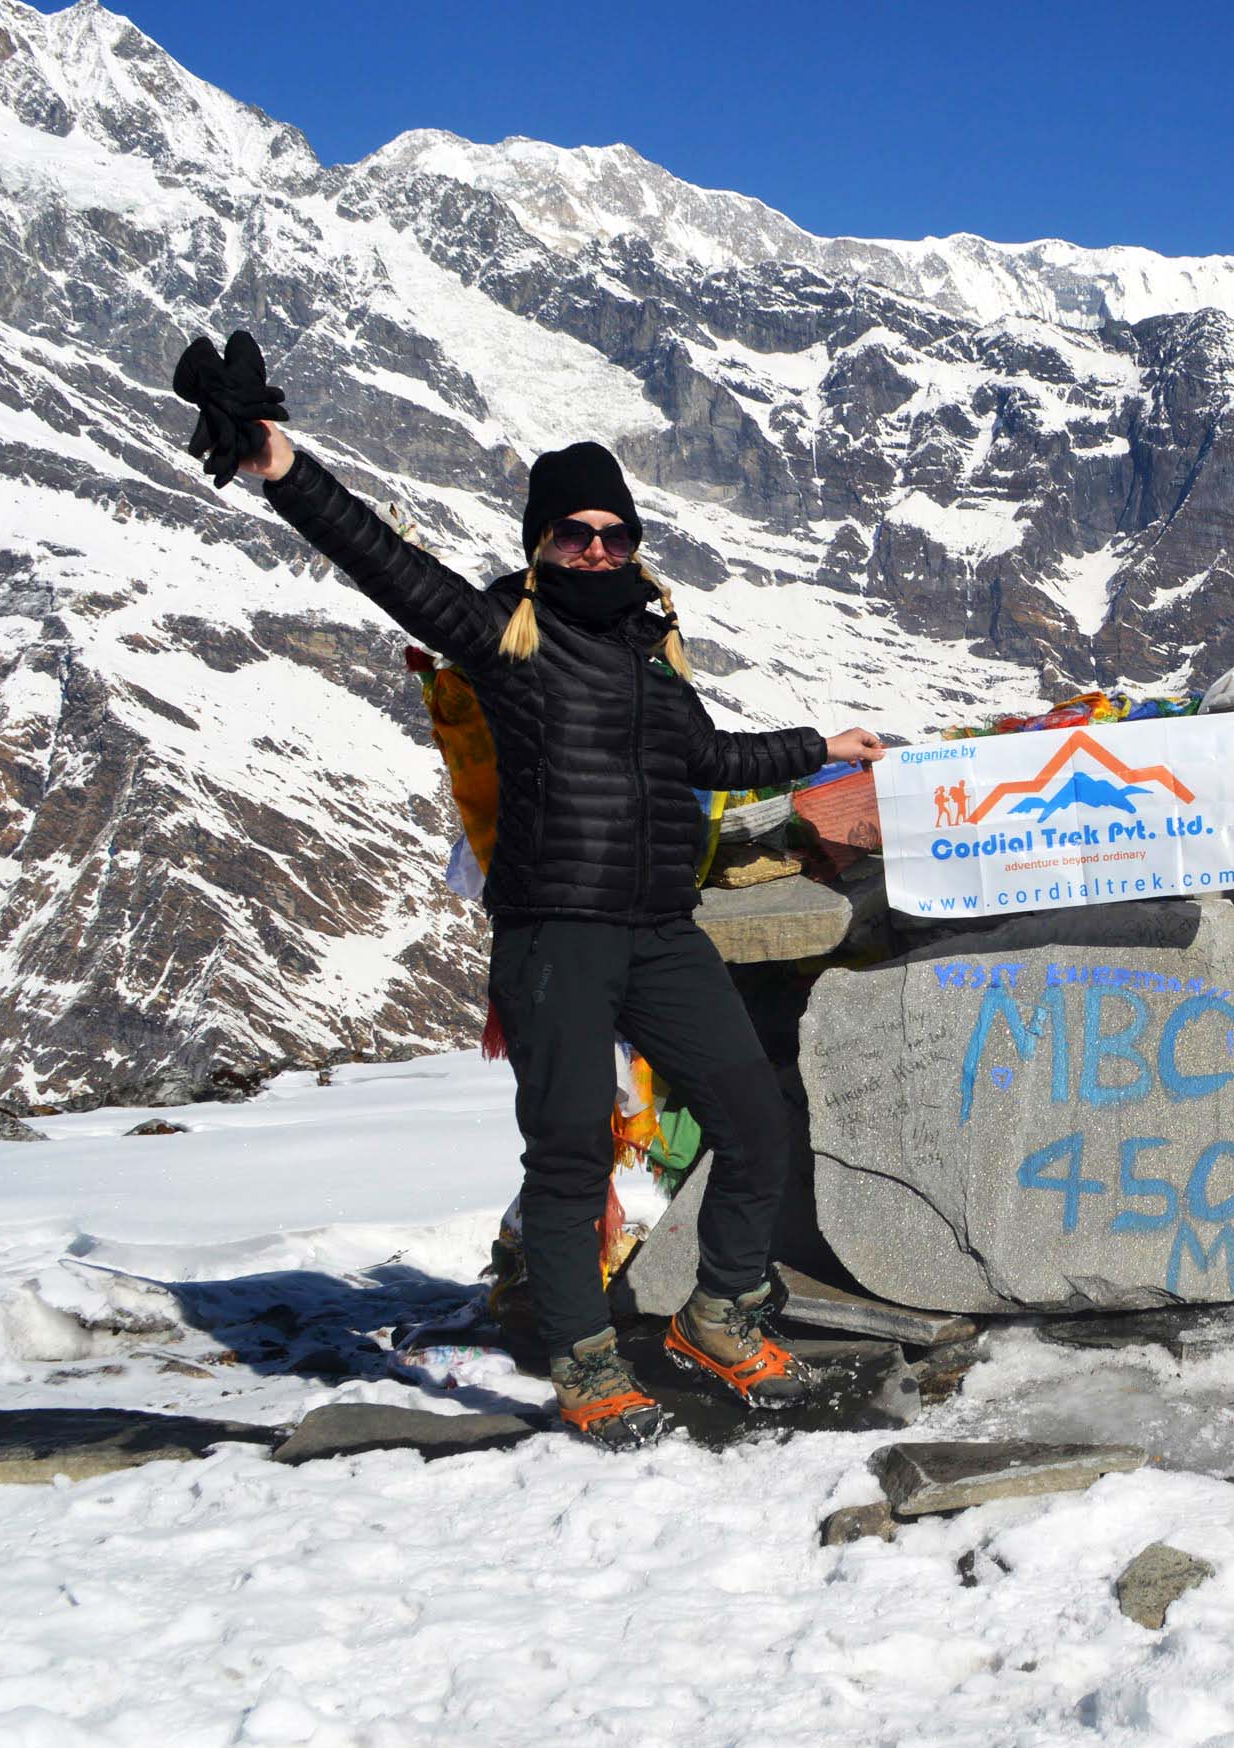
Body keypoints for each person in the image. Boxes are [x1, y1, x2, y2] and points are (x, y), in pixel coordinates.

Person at [239, 412, 885, 1447]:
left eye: (614, 534)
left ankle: (718, 1319)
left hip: (661, 932)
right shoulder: (507, 634)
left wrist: (823, 746)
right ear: (540, 542)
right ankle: (585, 1360)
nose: (596, 549)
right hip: (556, 937)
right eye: (574, 533)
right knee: (572, 1153)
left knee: (756, 1120)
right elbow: (387, 566)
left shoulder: (649, 652)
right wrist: (283, 469)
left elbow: (708, 758)